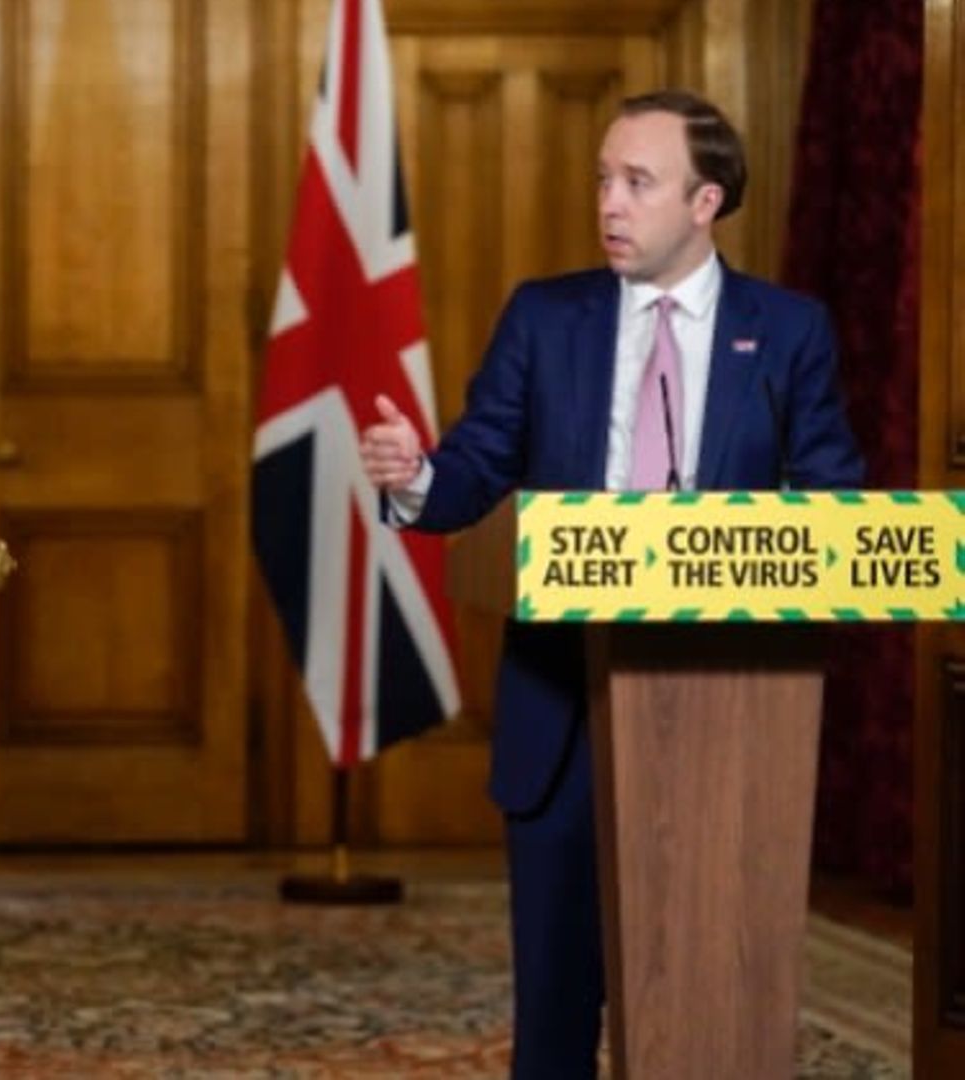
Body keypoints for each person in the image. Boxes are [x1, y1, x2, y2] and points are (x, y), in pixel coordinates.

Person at [357, 90, 863, 1078]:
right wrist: (416, 476)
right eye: (603, 179)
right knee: (554, 1000)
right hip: (565, 706)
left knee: (715, 986)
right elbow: (475, 468)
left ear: (705, 199)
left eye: (638, 182)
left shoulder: (789, 332)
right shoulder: (548, 318)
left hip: (730, 719)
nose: (611, 204)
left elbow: (835, 505)